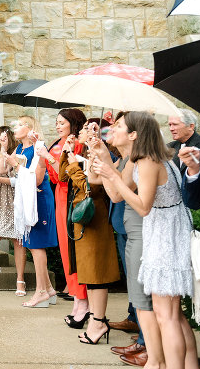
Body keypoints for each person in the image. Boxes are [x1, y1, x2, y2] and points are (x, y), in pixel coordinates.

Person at [94, 111, 197, 368]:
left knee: (167, 316)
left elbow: (143, 207)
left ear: (134, 134)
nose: (112, 130)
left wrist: (114, 176)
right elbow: (120, 195)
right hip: (165, 233)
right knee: (175, 315)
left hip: (166, 237)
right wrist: (109, 171)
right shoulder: (149, 158)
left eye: (119, 126)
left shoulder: (149, 162)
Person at [59, 122, 119, 343]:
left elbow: (90, 188)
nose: (81, 131)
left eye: (87, 128)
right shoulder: (84, 153)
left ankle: (98, 322)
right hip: (81, 217)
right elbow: (63, 176)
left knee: (96, 272)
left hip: (94, 216)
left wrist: (74, 164)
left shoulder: (100, 156)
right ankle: (95, 319)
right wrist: (67, 154)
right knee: (88, 273)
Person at [37, 108, 88, 316]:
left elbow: (65, 174)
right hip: (59, 196)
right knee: (66, 251)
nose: (57, 126)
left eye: (62, 122)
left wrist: (48, 156)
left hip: (70, 196)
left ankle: (82, 300)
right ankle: (77, 298)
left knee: (73, 249)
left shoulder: (77, 145)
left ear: (73, 124)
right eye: (56, 122)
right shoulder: (58, 144)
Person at [9, 115, 58, 308]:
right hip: (28, 199)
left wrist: (15, 165)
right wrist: (7, 153)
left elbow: (37, 179)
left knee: (37, 246)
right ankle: (49, 289)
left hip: (38, 198)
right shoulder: (20, 148)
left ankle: (41, 292)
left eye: (20, 125)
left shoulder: (39, 148)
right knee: (32, 244)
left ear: (30, 129)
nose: (16, 127)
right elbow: (11, 170)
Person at [0, 126, 27, 297]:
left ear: (7, 138)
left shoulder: (18, 155)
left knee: (18, 241)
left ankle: (20, 278)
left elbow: (20, 180)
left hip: (15, 201)